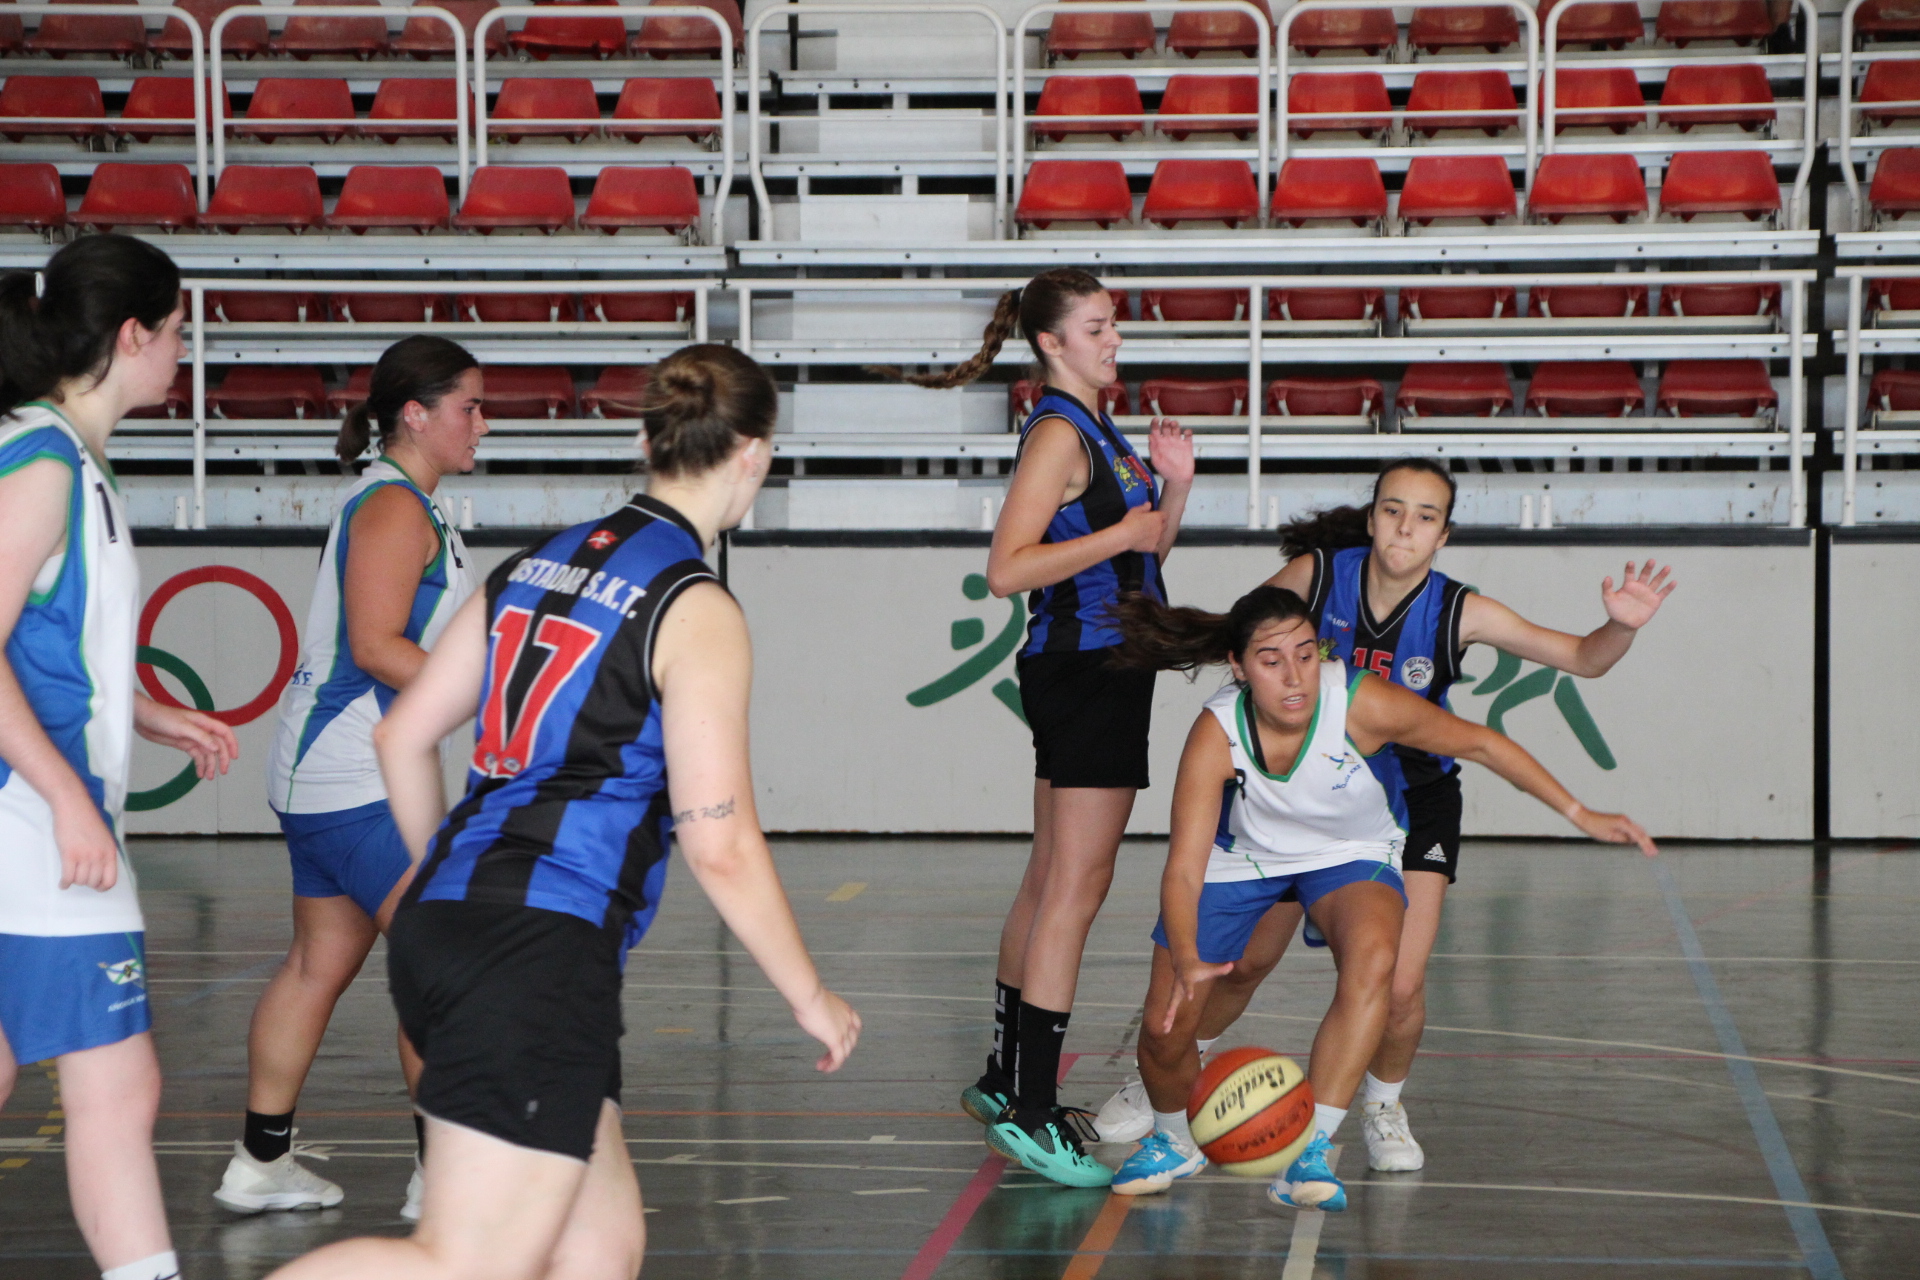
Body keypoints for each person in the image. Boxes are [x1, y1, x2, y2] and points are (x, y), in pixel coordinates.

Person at [264, 343, 860, 1280]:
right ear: (754, 453)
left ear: (646, 441)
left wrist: (442, 880)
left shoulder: (535, 563)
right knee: (461, 1262)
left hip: (455, 922)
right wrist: (809, 995)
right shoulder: (692, 603)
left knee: (600, 1247)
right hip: (538, 946)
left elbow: (401, 737)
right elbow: (720, 843)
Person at [1095, 457, 1675, 1175]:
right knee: (1244, 965)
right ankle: (1176, 1068)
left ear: (1443, 535)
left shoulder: (1459, 611)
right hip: (1294, 794)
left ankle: (1380, 1103)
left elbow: (1584, 659)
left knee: (1397, 984)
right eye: (1394, 511)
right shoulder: (1315, 578)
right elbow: (1254, 633)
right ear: (1371, 520)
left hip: (1408, 798)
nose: (1406, 528)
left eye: (1425, 517)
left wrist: (1619, 627)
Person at [880, 269, 1193, 1187]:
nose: (1114, 339)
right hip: (1088, 668)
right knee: (1074, 891)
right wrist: (1122, 536)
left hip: (1097, 663)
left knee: (1050, 879)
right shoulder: (1059, 432)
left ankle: (1005, 1079)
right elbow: (1007, 569)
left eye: (1113, 323)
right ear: (1052, 343)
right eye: (1096, 327)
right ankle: (1032, 1110)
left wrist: (1175, 490)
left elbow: (1147, 549)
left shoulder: (1096, 427)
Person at [0, 235, 239, 1280]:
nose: (185, 352)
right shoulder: (45, 459)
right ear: (132, 335)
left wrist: (138, 710)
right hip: (28, 814)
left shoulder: (57, 451)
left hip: (32, 799)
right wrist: (68, 798)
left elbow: (38, 636)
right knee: (116, 1080)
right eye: (179, 330)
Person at [217, 337, 487, 1220]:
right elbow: (375, 647)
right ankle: (443, 1181)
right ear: (416, 413)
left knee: (316, 964)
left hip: (328, 775)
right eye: (469, 407)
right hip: (352, 779)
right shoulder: (395, 508)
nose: (482, 424)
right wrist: (496, 697)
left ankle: (261, 1163)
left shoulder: (405, 502)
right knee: (440, 967)